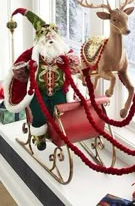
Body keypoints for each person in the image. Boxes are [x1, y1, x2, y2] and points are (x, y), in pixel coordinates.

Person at [4, 8, 80, 150]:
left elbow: (76, 64)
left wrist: (69, 62)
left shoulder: (63, 50)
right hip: (39, 91)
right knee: (38, 113)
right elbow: (17, 68)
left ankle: (59, 133)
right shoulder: (33, 53)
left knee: (61, 113)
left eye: (52, 35)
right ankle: (39, 137)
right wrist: (26, 68)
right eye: (46, 36)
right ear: (40, 38)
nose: (49, 38)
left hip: (59, 91)